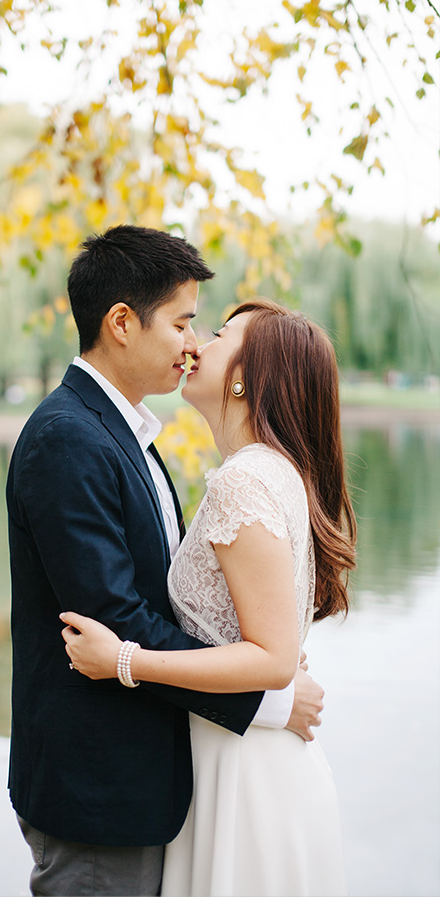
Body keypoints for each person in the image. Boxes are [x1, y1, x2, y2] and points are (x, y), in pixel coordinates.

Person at [4, 226, 326, 896]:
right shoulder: (69, 438)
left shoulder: (132, 438)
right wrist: (268, 703)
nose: (192, 342)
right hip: (100, 793)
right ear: (122, 322)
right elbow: (114, 618)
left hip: (160, 783)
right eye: (183, 322)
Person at [61, 297, 354, 896]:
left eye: (219, 334)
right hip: (240, 758)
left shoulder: (245, 481)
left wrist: (124, 660)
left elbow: (271, 659)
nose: (196, 343)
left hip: (247, 776)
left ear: (248, 378)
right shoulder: (270, 471)